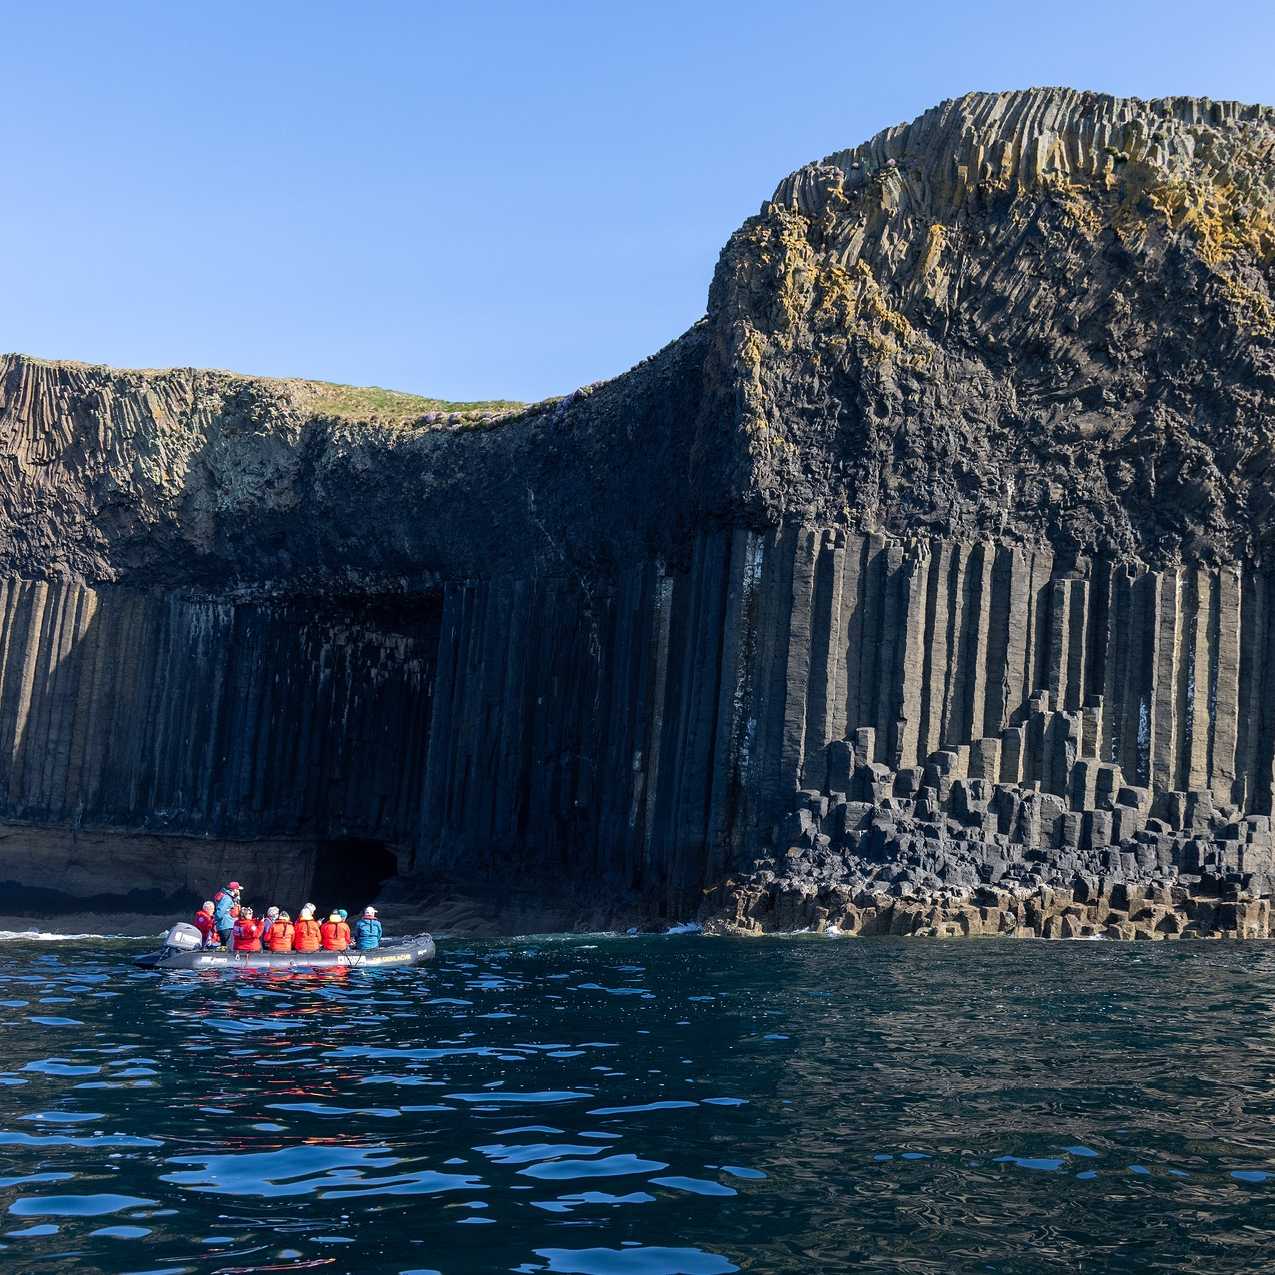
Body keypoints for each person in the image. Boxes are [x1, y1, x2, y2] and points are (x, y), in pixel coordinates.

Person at [213, 881, 242, 948]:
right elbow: (220, 912)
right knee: (227, 947)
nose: (238, 891)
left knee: (225, 947)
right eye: (238, 889)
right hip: (226, 926)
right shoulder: (227, 899)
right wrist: (216, 920)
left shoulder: (231, 898)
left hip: (227, 926)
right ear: (234, 890)